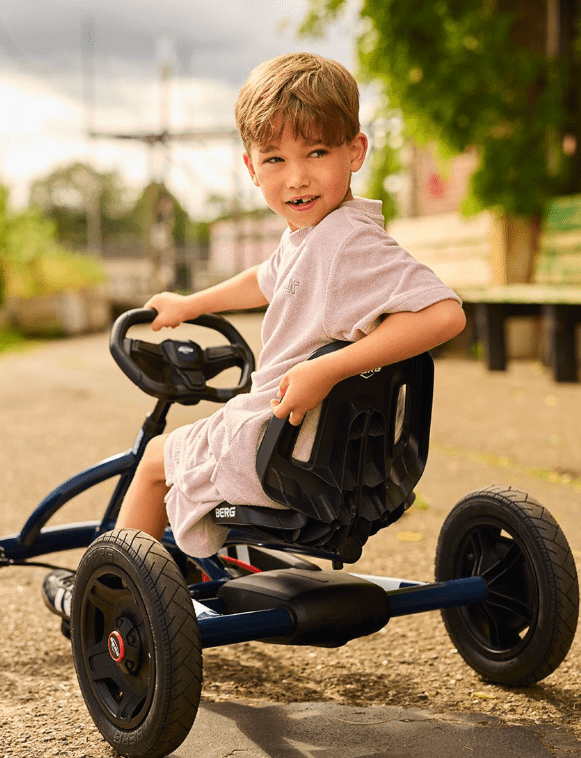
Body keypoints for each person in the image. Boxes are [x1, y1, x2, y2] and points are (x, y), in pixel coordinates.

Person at [42, 52, 465, 622]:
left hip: (285, 454)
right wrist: (190, 304)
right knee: (195, 444)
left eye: (317, 153)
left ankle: (105, 601)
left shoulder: (346, 245)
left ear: (355, 152)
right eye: (275, 159)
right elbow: (265, 278)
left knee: (155, 461)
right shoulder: (315, 237)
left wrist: (326, 369)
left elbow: (443, 315)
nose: (297, 177)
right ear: (252, 167)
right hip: (344, 461)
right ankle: (170, 562)